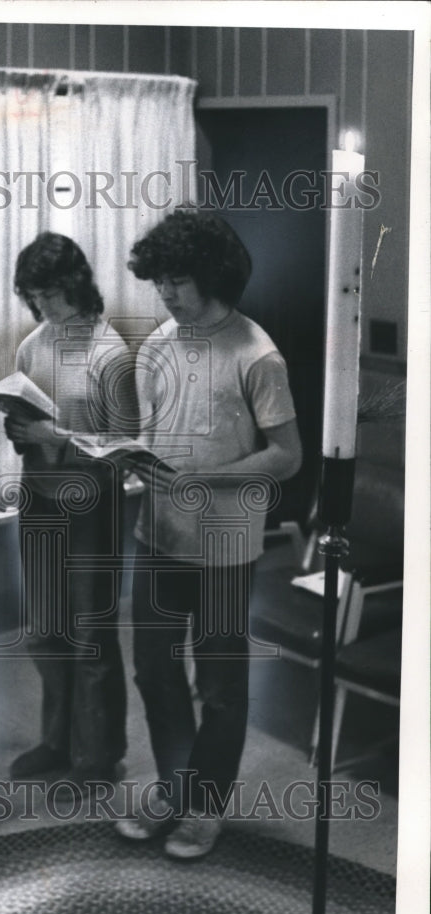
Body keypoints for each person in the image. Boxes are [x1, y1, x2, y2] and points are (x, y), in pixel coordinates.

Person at [116, 210, 302, 858]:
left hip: (225, 546)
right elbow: (152, 435)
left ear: (211, 275)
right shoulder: (157, 347)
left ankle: (204, 805)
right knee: (153, 671)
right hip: (158, 536)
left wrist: (213, 476)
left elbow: (286, 455)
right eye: (158, 279)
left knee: (219, 685)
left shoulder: (256, 353)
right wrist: (127, 461)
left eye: (177, 279)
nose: (165, 292)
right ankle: (173, 785)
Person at [4, 231, 138, 799]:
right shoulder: (32, 346)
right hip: (38, 499)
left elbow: (127, 443)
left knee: (89, 635)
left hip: (91, 506)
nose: (44, 309)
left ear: (77, 287)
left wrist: (51, 435)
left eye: (52, 296)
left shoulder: (112, 355)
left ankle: (99, 754)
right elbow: (23, 428)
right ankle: (57, 741)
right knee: (44, 632)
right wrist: (16, 430)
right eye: (35, 298)